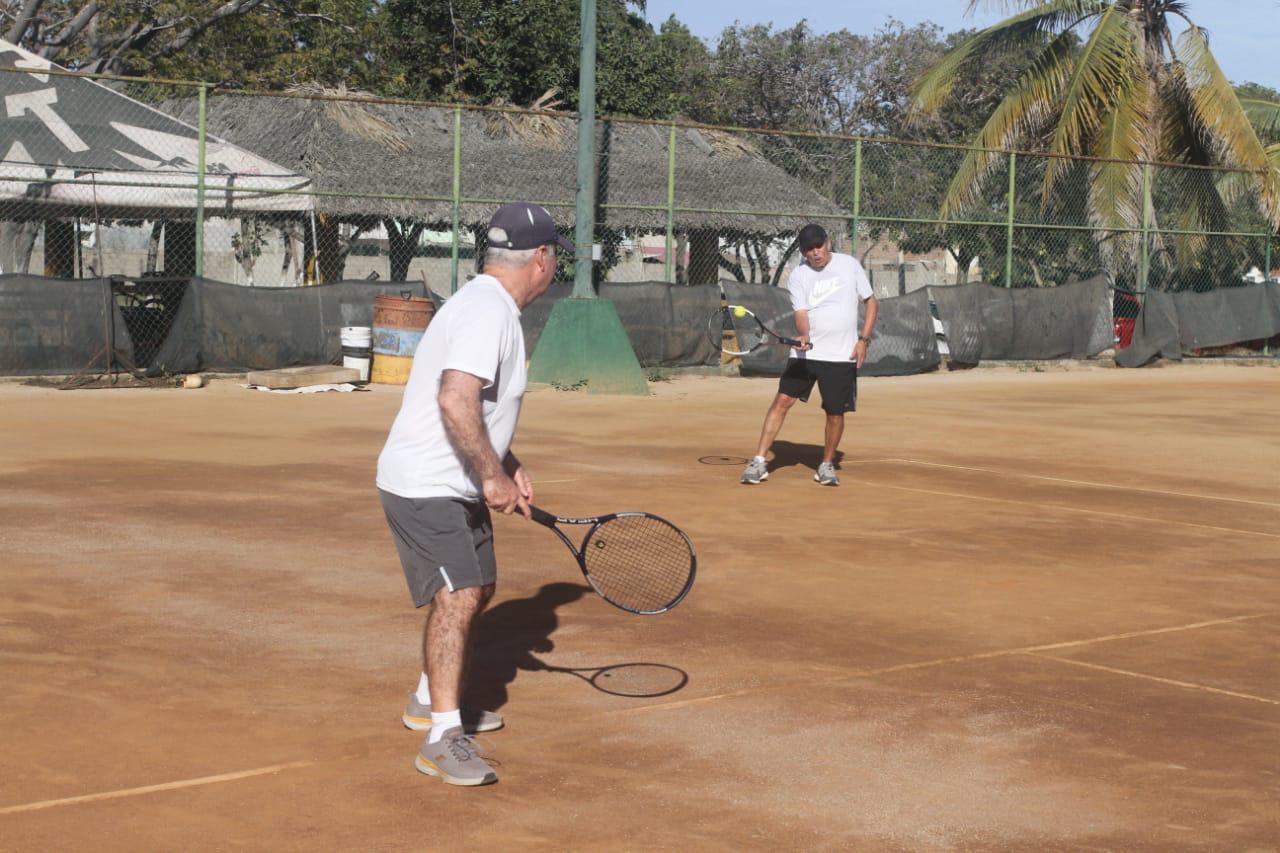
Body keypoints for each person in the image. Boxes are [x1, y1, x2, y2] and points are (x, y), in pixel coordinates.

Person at [376, 201, 572, 787]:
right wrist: (491, 476)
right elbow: (455, 399)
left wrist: (508, 463)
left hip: (453, 477)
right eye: (555, 255)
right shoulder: (489, 313)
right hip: (427, 484)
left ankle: (425, 697)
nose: (555, 264)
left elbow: (478, 408)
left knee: (480, 586)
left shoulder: (486, 306)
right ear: (541, 258)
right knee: (458, 595)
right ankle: (442, 735)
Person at [741, 223, 878, 487]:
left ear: (827, 243)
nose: (815, 253)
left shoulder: (849, 265)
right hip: (806, 356)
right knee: (781, 401)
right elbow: (801, 313)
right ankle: (759, 461)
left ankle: (826, 465)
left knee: (835, 412)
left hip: (841, 356)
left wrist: (863, 340)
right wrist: (803, 335)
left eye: (818, 246)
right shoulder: (798, 275)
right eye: (808, 249)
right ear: (803, 252)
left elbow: (871, 302)